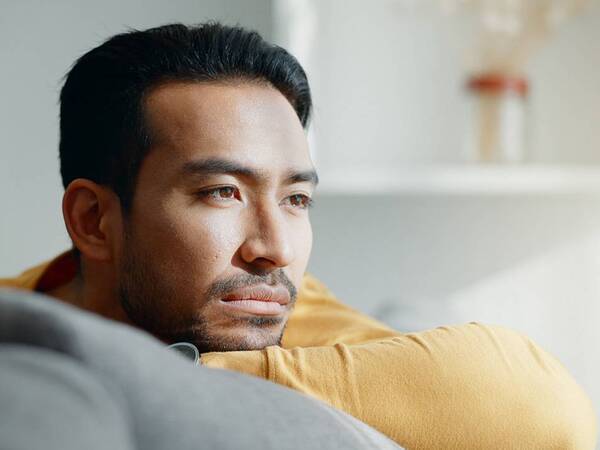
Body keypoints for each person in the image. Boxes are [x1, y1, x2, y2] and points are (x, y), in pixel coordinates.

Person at [0, 23, 596, 449]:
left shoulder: (284, 311)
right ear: (93, 221)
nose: (276, 249)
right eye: (222, 192)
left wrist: (173, 373)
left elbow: (547, 411)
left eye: (296, 199)